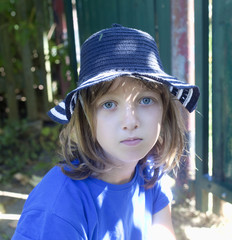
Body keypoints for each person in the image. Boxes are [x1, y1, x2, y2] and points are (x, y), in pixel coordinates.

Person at [12, 24, 200, 240]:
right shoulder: (59, 207)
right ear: (86, 118)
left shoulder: (151, 175)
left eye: (146, 100)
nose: (130, 122)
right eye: (109, 104)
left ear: (164, 111)